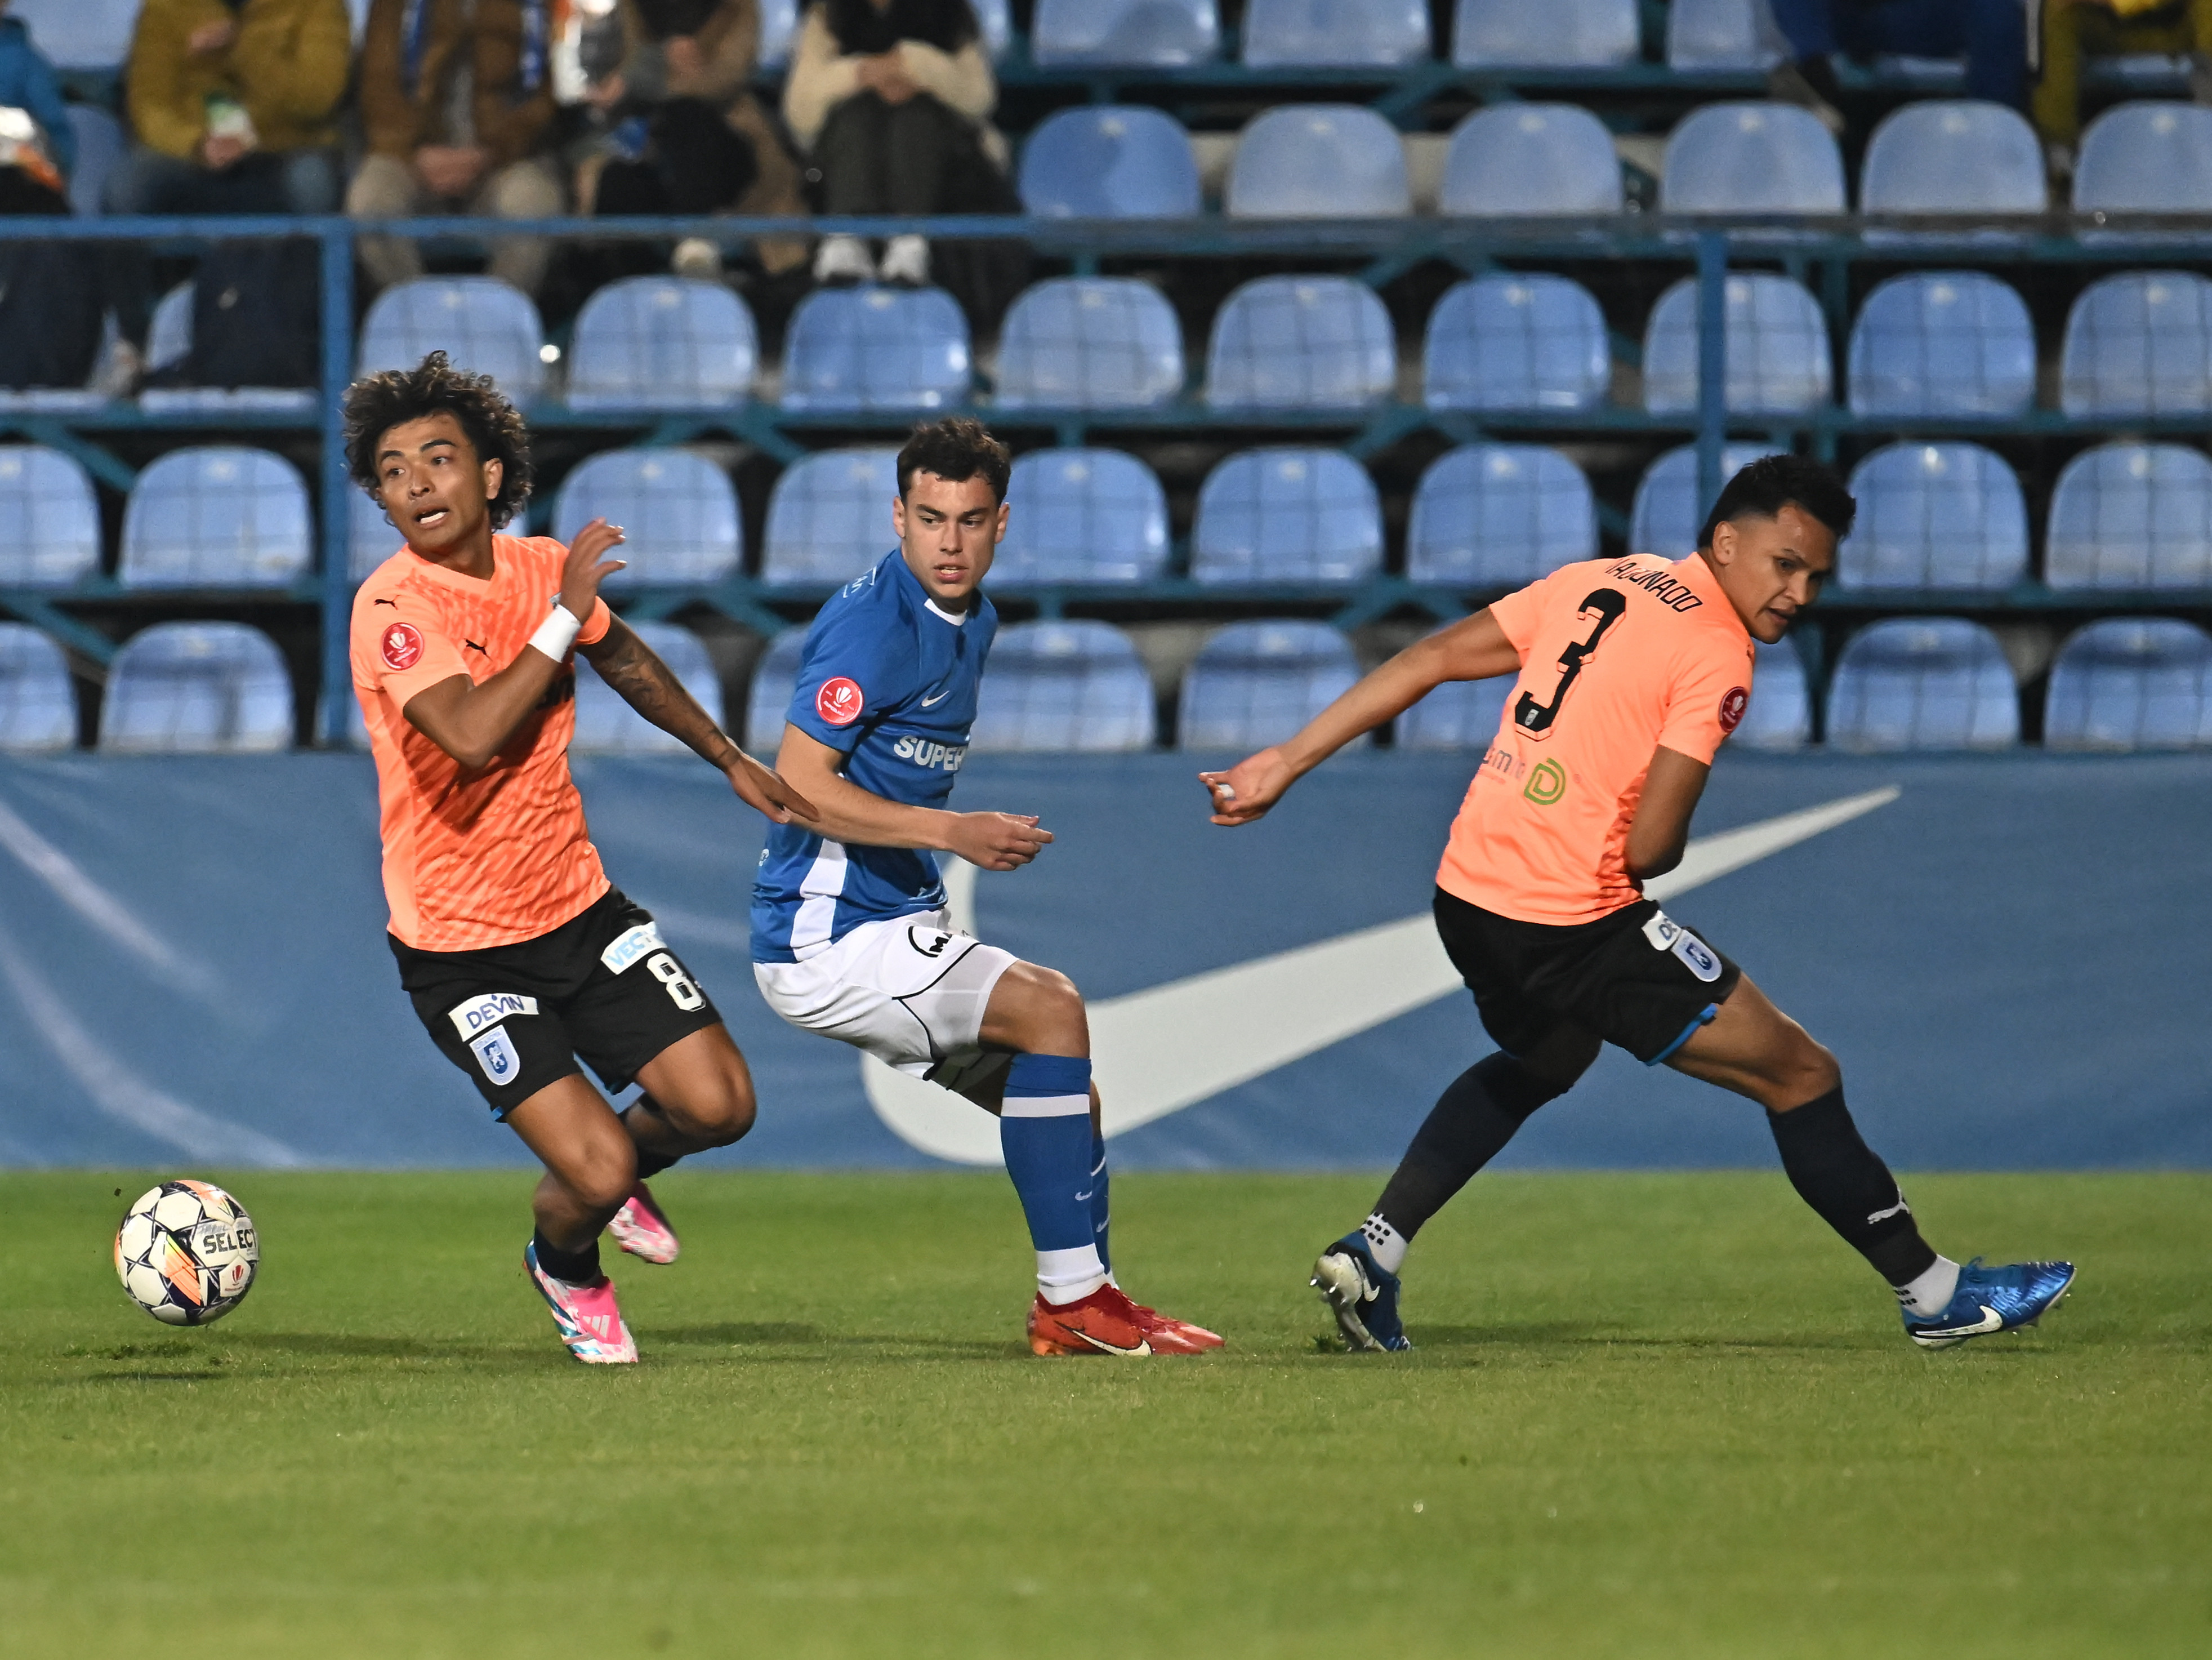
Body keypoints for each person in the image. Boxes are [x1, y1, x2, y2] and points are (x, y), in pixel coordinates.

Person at [1201, 455, 2075, 1354]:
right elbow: (1651, 846)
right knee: (1803, 1072)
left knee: (1549, 1048)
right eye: (1785, 564)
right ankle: (1933, 1294)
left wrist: (1285, 759)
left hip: (1468, 890)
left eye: (1816, 574)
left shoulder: (1601, 580)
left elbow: (1432, 656)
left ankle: (1373, 1253)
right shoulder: (1717, 654)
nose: (1801, 591)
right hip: (1569, 916)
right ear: (1726, 542)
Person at [344, 350, 810, 1364]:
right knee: (593, 1177)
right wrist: (562, 613)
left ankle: (610, 1181)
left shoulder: (534, 572)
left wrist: (726, 755)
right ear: (381, 501)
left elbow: (626, 658)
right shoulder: (392, 609)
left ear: (493, 476)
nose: (418, 482)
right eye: (393, 470)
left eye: (438, 457)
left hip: (577, 909)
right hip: (463, 950)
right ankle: (568, 1263)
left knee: (718, 1103)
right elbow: (468, 734)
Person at [750, 417, 1222, 1359]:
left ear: (1001, 522)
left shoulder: (976, 618)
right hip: (827, 935)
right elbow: (795, 786)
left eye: (969, 520)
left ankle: (1085, 1301)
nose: (950, 542)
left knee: (1061, 1095)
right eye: (929, 519)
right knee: (1051, 1010)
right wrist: (950, 832)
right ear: (898, 516)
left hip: (890, 917)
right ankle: (1073, 1306)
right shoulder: (870, 626)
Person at [350, 0, 567, 297]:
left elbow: (539, 96)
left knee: (537, 205)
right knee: (369, 203)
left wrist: (490, 152)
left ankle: (488, 322)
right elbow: (378, 86)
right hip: (411, 156)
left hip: (498, 159)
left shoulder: (529, 6)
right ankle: (424, 321)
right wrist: (413, 153)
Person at [583, 0, 808, 281]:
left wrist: (643, 76)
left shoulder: (736, 9)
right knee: (615, 181)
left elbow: (725, 77)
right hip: (654, 146)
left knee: (689, 119)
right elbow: (609, 80)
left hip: (730, 142)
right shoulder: (631, 12)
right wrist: (649, 70)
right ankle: (621, 286)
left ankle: (697, 242)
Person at [782, 0, 1000, 288]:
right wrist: (862, 73)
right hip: (845, 158)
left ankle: (909, 239)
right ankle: (847, 237)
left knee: (916, 116)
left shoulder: (951, 13)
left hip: (945, 169)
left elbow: (979, 97)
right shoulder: (828, 14)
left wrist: (914, 66)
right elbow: (799, 109)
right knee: (856, 114)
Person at [106, 0, 350, 216]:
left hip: (284, 152)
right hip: (194, 156)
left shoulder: (318, 5)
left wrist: (242, 48)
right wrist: (197, 144)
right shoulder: (166, 7)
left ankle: (300, 268)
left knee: (313, 183)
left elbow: (318, 99)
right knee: (127, 187)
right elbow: (149, 105)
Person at [1765, 0, 2028, 132]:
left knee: (1997, 10)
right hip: (1847, 19)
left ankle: (1991, 138)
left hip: (1915, 17)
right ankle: (1815, 78)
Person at [2032, 0, 2212, 159]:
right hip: (2114, 31)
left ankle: (2207, 129)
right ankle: (2058, 149)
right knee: (2057, 8)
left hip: (2179, 29)